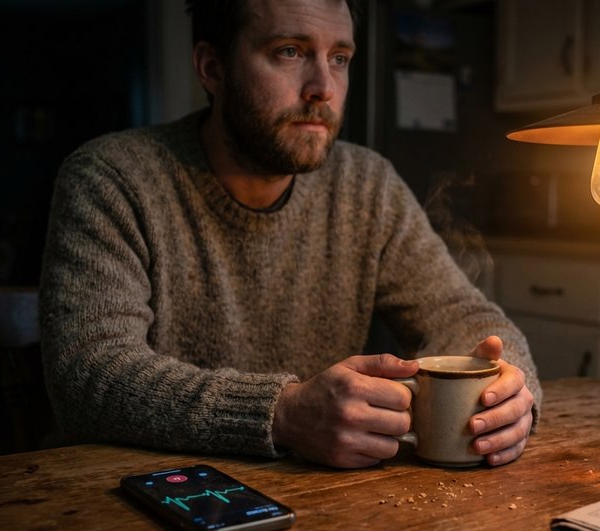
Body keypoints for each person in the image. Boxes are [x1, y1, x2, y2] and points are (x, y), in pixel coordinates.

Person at [39, 0, 541, 469]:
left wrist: (505, 395)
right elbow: (90, 373)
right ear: (212, 68)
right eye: (289, 52)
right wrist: (281, 413)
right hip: (132, 496)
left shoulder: (366, 184)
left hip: (318, 500)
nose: (323, 87)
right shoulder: (113, 178)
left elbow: (464, 316)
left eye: (339, 58)